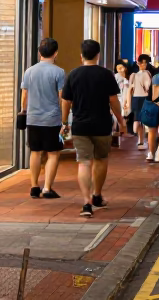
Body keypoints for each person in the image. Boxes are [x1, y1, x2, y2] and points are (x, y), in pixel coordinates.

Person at [61, 40, 125, 218]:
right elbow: (113, 100)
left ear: (81, 56)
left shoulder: (73, 75)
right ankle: (97, 195)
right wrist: (121, 121)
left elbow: (66, 101)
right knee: (101, 160)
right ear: (98, 55)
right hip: (102, 124)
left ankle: (86, 201)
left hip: (80, 125)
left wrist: (65, 121)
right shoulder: (106, 74)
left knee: (84, 162)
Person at [21, 38, 66, 199]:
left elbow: (24, 94)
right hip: (52, 119)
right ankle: (47, 188)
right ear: (56, 53)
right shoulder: (59, 72)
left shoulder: (29, 71)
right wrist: (64, 119)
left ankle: (34, 186)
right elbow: (62, 97)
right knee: (53, 153)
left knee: (35, 152)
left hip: (33, 118)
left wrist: (23, 111)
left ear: (39, 52)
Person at [128, 54, 153, 147]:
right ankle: (140, 139)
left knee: (139, 119)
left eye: (145, 63)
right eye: (143, 63)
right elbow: (130, 89)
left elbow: (130, 89)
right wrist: (127, 101)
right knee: (139, 119)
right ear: (138, 63)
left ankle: (141, 139)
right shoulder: (135, 75)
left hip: (140, 98)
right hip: (140, 98)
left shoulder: (144, 74)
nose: (144, 65)